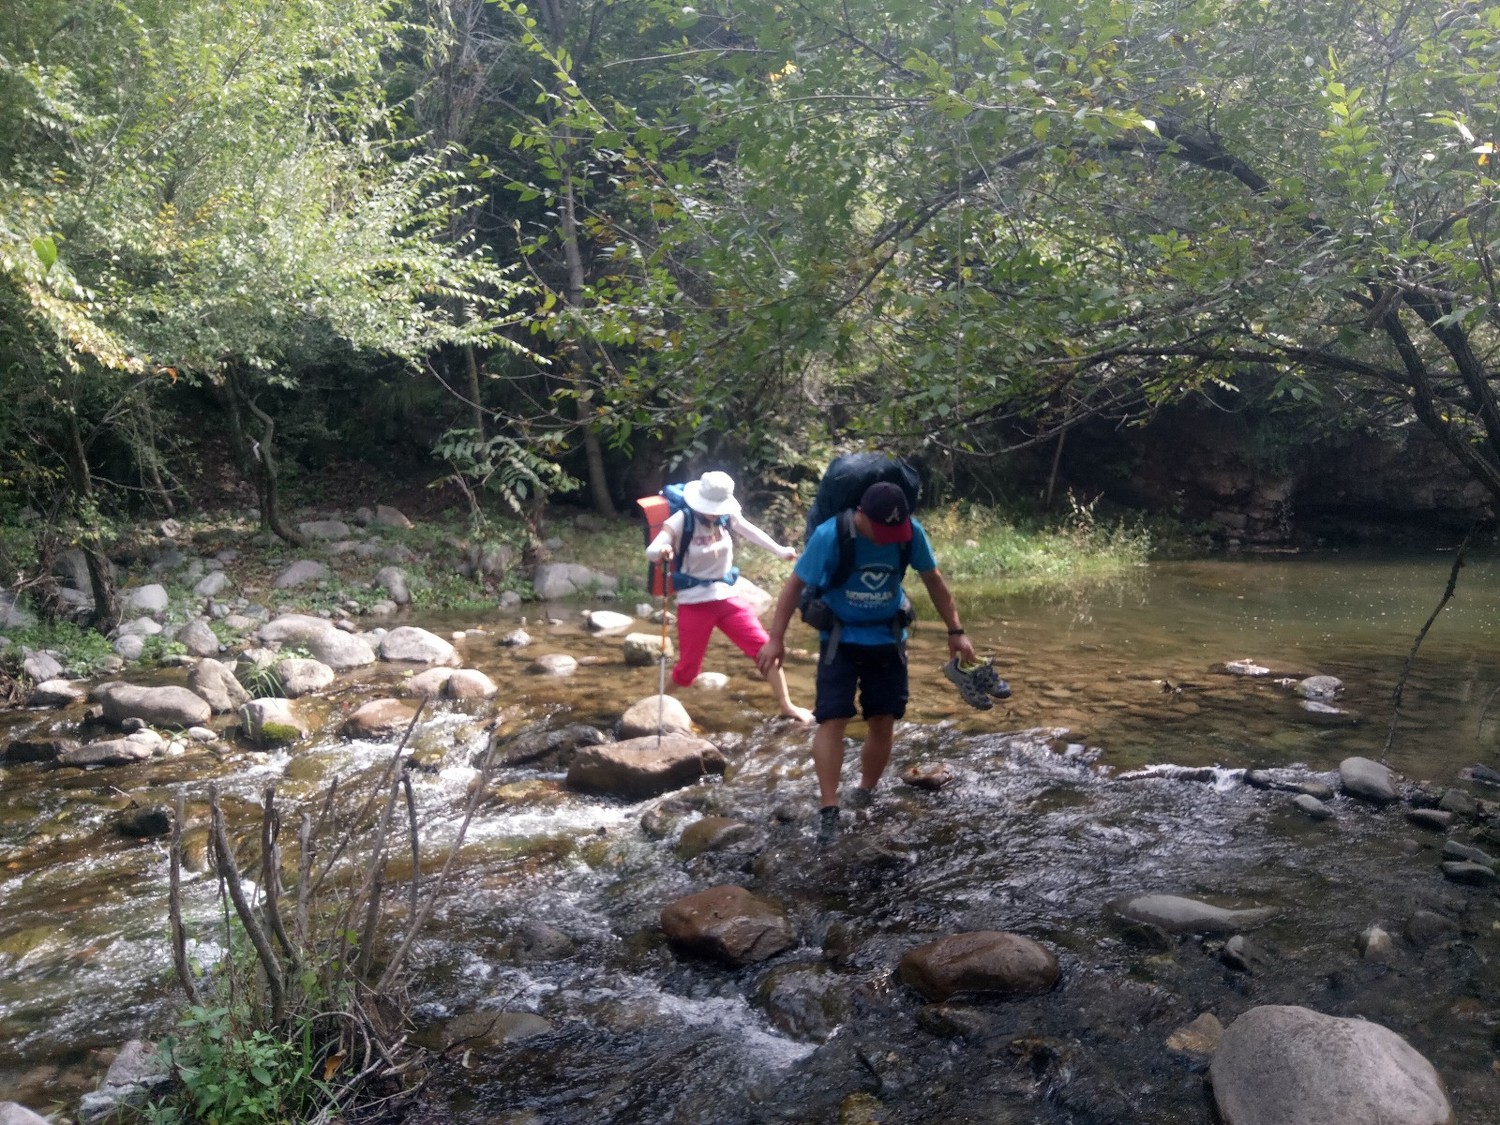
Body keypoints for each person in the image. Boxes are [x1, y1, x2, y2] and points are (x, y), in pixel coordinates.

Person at [756, 480, 977, 844]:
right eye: (883, 531)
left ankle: (865, 791)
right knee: (833, 719)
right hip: (839, 639)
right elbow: (794, 585)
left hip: (888, 638)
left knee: (883, 718)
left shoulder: (910, 533)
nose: (889, 539)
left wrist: (956, 631)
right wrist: (775, 639)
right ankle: (829, 808)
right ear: (861, 515)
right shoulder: (831, 535)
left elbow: (933, 580)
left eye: (896, 531)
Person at [646, 470, 814, 723]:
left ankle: (786, 705)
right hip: (694, 603)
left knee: (764, 649)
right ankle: (654, 707)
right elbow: (652, 551)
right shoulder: (682, 519)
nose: (715, 513)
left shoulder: (726, 515)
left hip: (727, 597)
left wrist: (780, 551)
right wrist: (664, 549)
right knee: (688, 671)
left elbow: (749, 531)